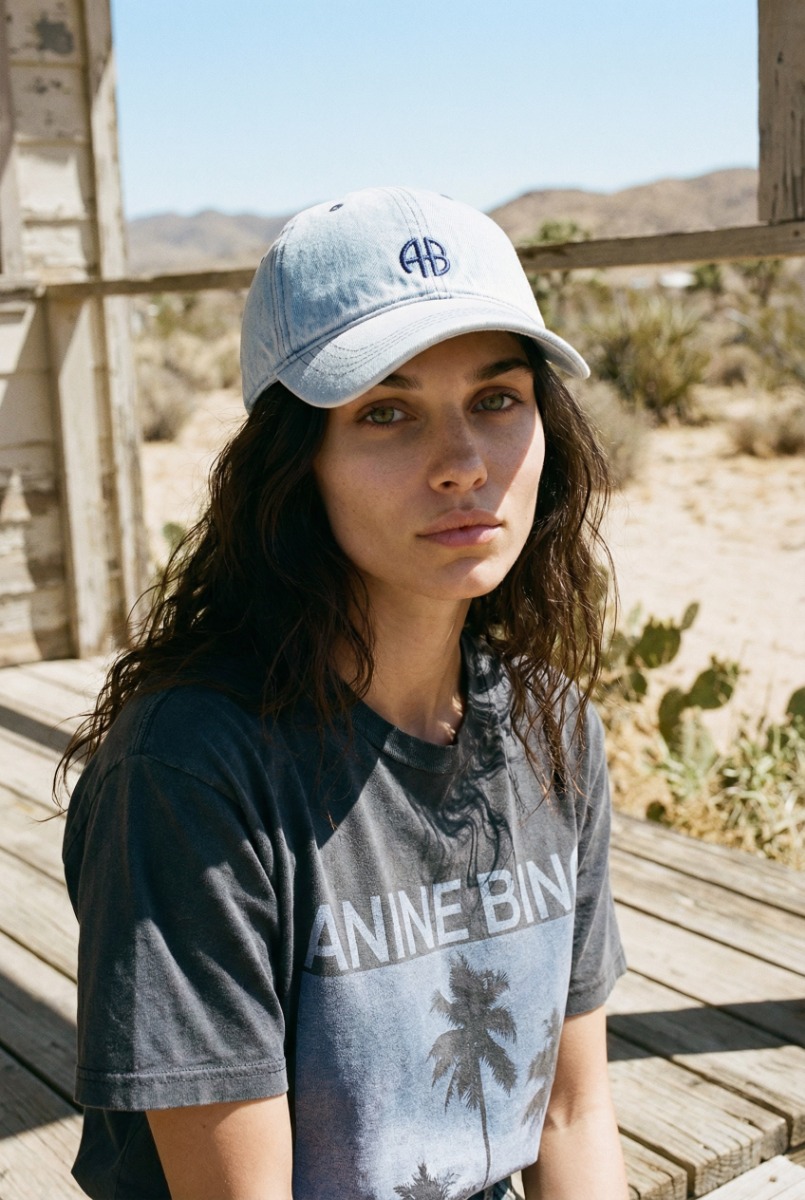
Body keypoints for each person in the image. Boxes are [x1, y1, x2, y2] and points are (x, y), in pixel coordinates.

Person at [61, 186, 629, 1200]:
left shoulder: (552, 727)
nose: (462, 464)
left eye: (495, 398)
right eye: (386, 412)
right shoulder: (192, 771)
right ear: (295, 463)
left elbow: (571, 1113)